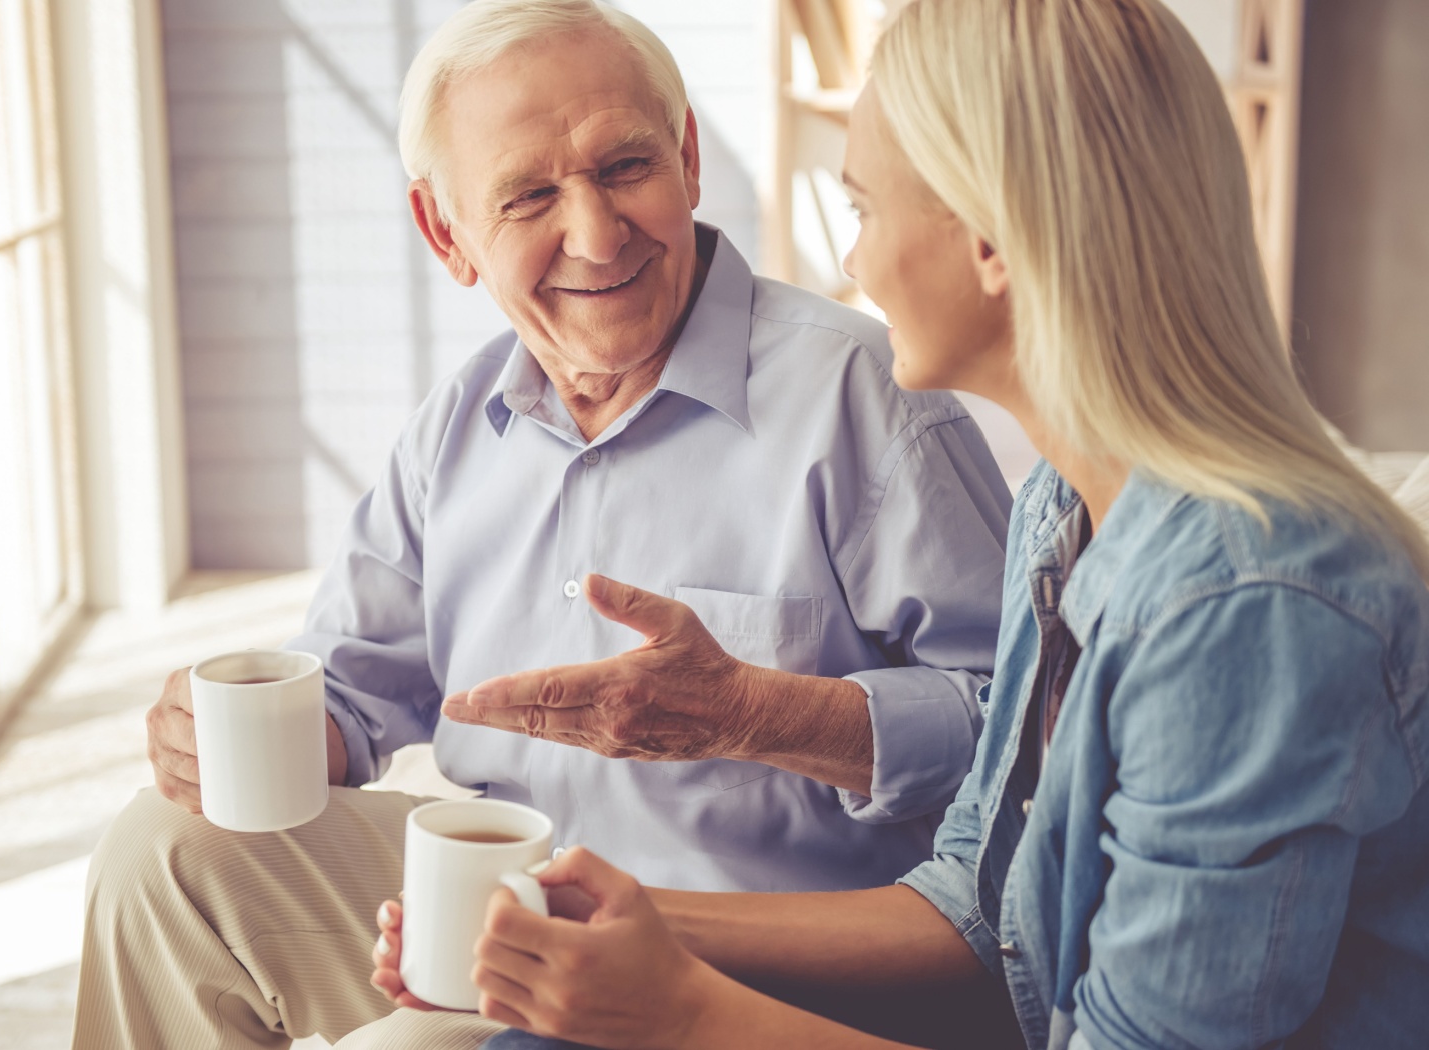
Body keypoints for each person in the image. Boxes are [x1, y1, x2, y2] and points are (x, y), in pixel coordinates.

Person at [367, 0, 1429, 1048]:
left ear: (988, 242)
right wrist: (596, 923)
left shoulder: (1244, 608)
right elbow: (983, 904)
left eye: (863, 210)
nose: (848, 267)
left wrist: (682, 1009)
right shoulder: (1068, 511)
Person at [69, 2, 1015, 1048]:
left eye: (623, 167)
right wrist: (226, 741)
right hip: (498, 900)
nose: (597, 233)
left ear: (688, 156)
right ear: (447, 233)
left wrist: (754, 715)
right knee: (166, 849)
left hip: (757, 959)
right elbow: (349, 690)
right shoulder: (457, 426)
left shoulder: (869, 396)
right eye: (527, 196)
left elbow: (1026, 735)